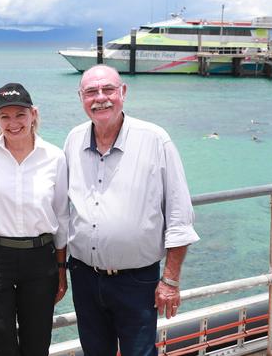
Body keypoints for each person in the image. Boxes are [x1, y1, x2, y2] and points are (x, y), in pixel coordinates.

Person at [63, 64, 200, 356]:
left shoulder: (155, 139)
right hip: (84, 276)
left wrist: (170, 280)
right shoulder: (73, 140)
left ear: (123, 93)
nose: (101, 98)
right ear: (81, 98)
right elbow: (63, 208)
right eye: (91, 92)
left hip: (137, 280)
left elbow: (179, 215)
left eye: (108, 89)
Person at [0, 83, 70, 356]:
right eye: (5, 116)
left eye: (20, 115)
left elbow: (61, 216)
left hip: (40, 259)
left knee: (37, 343)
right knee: (1, 345)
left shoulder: (55, 157)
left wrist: (61, 269)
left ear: (33, 114)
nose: (13, 123)